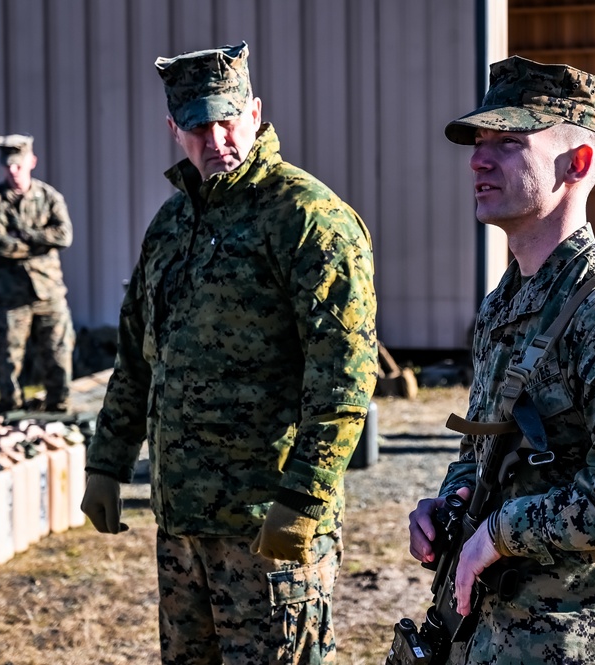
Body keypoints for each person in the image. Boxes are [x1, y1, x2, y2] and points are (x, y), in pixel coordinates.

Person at [79, 43, 378, 664]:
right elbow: (138, 354)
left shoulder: (308, 218)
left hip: (267, 527)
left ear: (256, 110)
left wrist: (304, 500)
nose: (216, 137)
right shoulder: (170, 224)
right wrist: (107, 461)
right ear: (174, 129)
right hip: (183, 523)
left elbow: (345, 377)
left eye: (229, 118)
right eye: (197, 124)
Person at [407, 56, 595, 664]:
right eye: (479, 143)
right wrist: (453, 502)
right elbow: (486, 447)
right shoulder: (505, 303)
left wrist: (503, 532)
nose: (478, 160)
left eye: (508, 144)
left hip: (576, 644)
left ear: (578, 163)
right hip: (488, 635)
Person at [0, 134, 75, 415]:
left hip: (48, 291)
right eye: (8, 166)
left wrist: (25, 235)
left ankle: (60, 410)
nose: (13, 171)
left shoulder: (49, 197)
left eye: (19, 165)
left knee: (59, 351)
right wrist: (40, 244)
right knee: (8, 358)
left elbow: (64, 236)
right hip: (9, 296)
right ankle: (11, 414)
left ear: (32, 162)